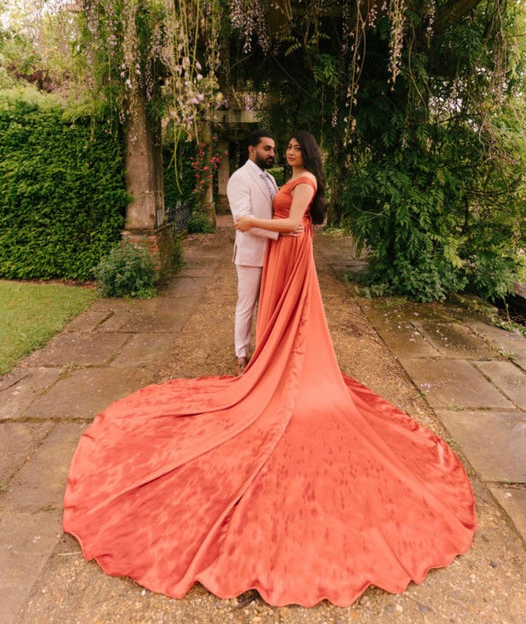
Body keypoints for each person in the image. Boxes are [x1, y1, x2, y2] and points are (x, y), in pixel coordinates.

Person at [63, 131, 477, 608]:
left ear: (309, 153)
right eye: (289, 148)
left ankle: (283, 368)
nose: (291, 153)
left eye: (298, 148)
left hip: (288, 250)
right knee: (269, 314)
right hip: (279, 252)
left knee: (288, 322)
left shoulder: (305, 183)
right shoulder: (287, 176)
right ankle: (267, 360)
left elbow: (297, 227)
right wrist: (261, 220)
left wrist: (252, 222)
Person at [226, 129, 279, 374]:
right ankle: (241, 355)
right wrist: (279, 232)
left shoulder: (270, 178)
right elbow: (243, 220)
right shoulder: (239, 178)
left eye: (273, 149)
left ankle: (266, 351)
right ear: (251, 149)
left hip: (274, 253)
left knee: (268, 305)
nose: (272, 153)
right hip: (250, 254)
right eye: (266, 148)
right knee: (246, 305)